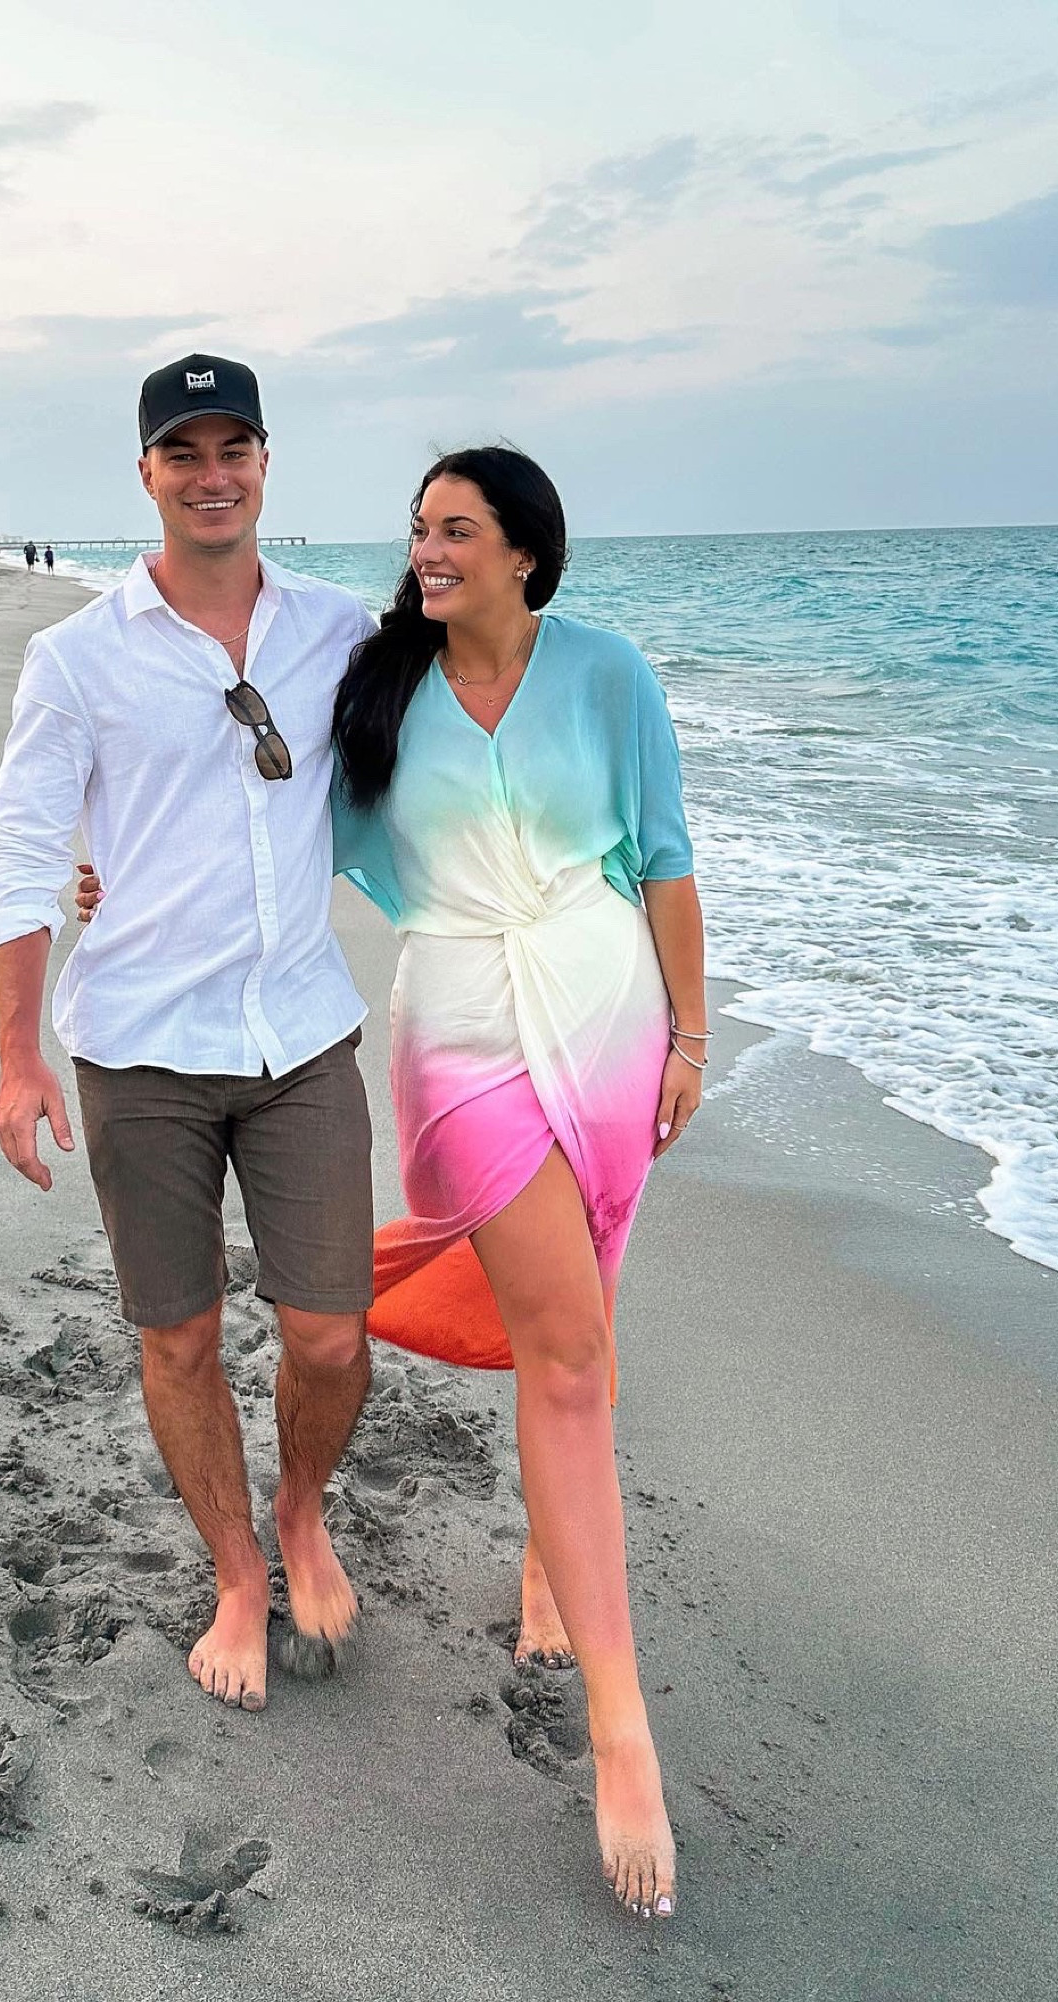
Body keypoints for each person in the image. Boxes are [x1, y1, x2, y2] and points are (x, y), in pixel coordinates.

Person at [329, 447, 705, 1922]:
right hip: (462, 1036)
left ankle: (551, 1563)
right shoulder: (377, 690)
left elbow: (662, 859)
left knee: (582, 1327)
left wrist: (689, 1035)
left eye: (456, 530)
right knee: (564, 1351)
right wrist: (114, 882)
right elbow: (273, 835)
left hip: (608, 1016)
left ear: (525, 553)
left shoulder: (607, 674)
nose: (427, 550)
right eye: (419, 530)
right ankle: (622, 1733)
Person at [0, 355, 376, 1717]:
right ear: (146, 472)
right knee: (180, 1336)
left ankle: (303, 1510)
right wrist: (17, 1057)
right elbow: (21, 851)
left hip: (300, 1033)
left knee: (328, 1334)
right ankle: (235, 1569)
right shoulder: (76, 656)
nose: (212, 476)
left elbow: (452, 734)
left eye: (233, 448)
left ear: (265, 461)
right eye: (183, 452)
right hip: (140, 1046)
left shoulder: (338, 630)